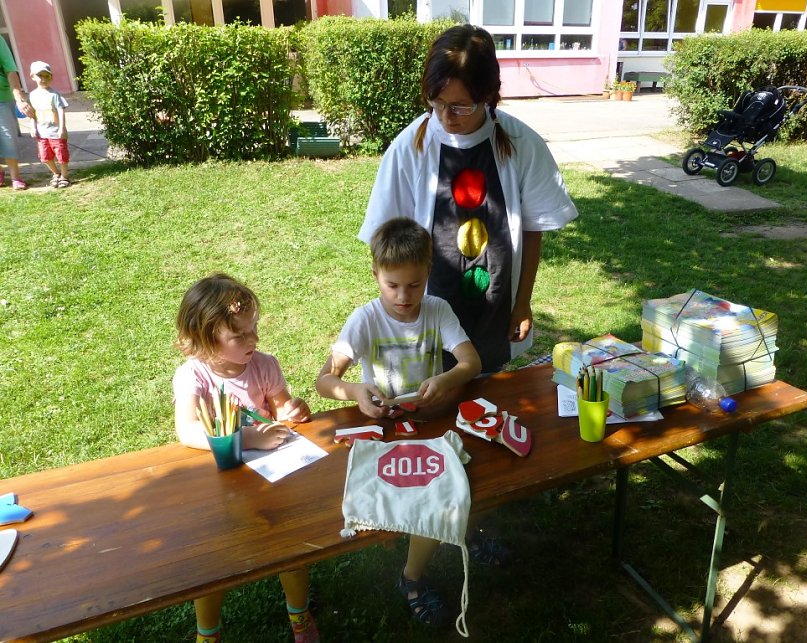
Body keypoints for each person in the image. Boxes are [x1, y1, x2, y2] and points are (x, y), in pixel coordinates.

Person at [359, 24, 578, 375]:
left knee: (485, 383)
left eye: (461, 107)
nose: (446, 117)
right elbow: (385, 239)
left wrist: (522, 303)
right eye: (438, 103)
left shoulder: (522, 144)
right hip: (425, 302)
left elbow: (535, 228)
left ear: (489, 95)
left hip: (495, 304)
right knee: (432, 382)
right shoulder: (409, 147)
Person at [316, 217, 481, 627]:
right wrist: (355, 391)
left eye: (415, 285)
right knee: (426, 494)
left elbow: (471, 362)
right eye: (392, 286)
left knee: (465, 475)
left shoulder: (437, 309)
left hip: (430, 421)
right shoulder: (365, 319)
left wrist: (446, 379)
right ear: (375, 275)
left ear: (428, 273)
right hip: (386, 431)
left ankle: (465, 535)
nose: (404, 297)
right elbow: (324, 380)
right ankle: (412, 578)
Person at [173, 273, 319, 643]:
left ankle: (298, 612)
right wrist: (247, 438)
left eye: (253, 328)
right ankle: (208, 631)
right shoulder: (194, 377)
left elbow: (280, 405)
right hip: (218, 480)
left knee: (292, 547)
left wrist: (292, 409)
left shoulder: (264, 364)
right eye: (239, 335)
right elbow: (188, 431)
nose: (252, 339)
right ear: (205, 339)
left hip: (270, 477)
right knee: (213, 559)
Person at [28, 61, 71, 188]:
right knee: (45, 156)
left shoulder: (54, 94)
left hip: (56, 132)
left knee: (61, 155)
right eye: (40, 75)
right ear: (32, 77)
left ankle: (64, 176)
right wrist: (32, 126)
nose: (43, 79)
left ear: (51, 77)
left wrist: (62, 128)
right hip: (42, 133)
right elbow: (32, 113)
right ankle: (56, 173)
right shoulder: (32, 95)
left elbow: (61, 110)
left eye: (47, 76)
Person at [0, 38, 34, 190]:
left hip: (2, 98)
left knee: (8, 137)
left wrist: (19, 98)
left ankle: (15, 177)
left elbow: (10, 70)